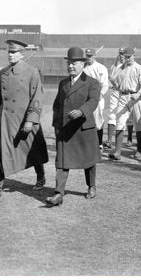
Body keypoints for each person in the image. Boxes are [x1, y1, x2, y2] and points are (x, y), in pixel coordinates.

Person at [0, 39, 49, 200]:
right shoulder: (3, 72)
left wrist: (30, 120)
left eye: (14, 52)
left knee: (33, 150)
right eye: (9, 52)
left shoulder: (32, 72)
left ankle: (40, 175)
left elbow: (37, 98)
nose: (10, 55)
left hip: (23, 119)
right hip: (4, 120)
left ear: (22, 54)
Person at [47, 47, 102, 206]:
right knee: (62, 162)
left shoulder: (92, 82)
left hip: (84, 127)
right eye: (69, 63)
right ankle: (58, 193)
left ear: (83, 64)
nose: (71, 66)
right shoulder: (63, 83)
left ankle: (91, 186)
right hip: (65, 129)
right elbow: (57, 105)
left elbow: (93, 101)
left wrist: (81, 111)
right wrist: (56, 124)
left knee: (89, 160)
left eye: (75, 63)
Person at [106, 47, 141, 161]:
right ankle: (117, 152)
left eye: (129, 56)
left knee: (138, 124)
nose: (128, 59)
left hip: (135, 97)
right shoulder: (120, 68)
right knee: (119, 122)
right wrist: (114, 82)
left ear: (134, 56)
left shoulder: (139, 68)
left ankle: (139, 149)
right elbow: (116, 83)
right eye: (126, 57)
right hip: (123, 96)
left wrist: (139, 94)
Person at [83, 47, 110, 147]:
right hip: (85, 98)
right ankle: (87, 142)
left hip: (97, 97)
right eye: (87, 56)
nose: (88, 58)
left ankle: (99, 143)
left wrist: (101, 94)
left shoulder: (101, 68)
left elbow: (105, 84)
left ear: (95, 56)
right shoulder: (83, 68)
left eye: (90, 56)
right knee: (85, 119)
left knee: (98, 120)